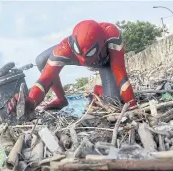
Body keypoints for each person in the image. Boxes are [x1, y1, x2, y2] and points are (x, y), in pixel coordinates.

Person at [7, 19, 137, 116]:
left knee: (114, 102)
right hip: (77, 54)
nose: (84, 61)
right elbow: (45, 79)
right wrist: (32, 101)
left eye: (88, 53)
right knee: (41, 60)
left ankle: (98, 90)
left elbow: (122, 77)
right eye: (79, 53)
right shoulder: (65, 47)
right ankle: (61, 99)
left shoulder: (111, 35)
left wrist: (133, 107)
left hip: (105, 62)